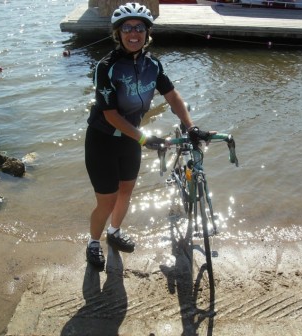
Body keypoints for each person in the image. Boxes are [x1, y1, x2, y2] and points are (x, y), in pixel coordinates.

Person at [84, 2, 211, 268]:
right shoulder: (106, 67)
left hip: (130, 140)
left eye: (139, 28)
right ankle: (93, 243)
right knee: (106, 201)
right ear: (118, 34)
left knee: (126, 192)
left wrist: (191, 127)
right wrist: (143, 138)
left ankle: (114, 233)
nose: (134, 33)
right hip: (102, 141)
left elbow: (172, 96)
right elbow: (110, 115)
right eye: (127, 28)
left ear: (147, 32)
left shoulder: (153, 64)